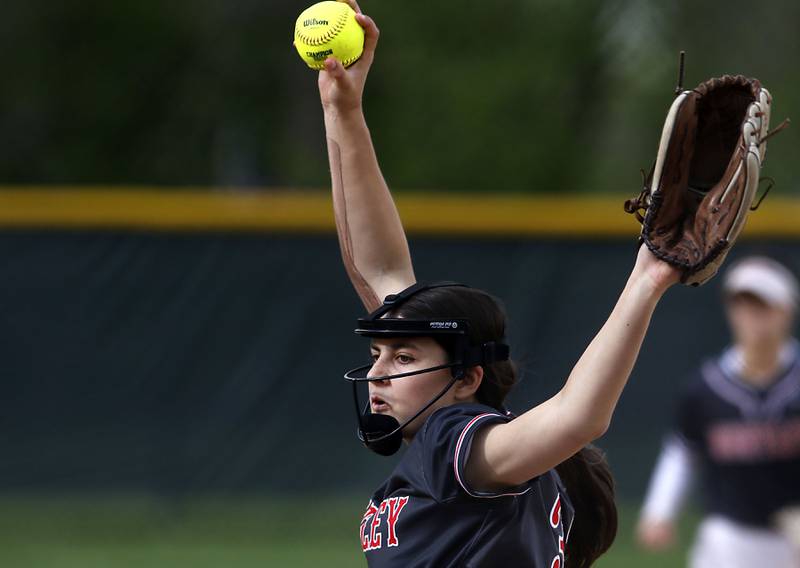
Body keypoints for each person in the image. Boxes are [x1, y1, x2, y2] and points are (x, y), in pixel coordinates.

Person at [317, 1, 681, 565]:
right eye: (378, 353)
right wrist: (342, 109)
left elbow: (578, 417)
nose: (377, 372)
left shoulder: (457, 440)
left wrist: (648, 277)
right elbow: (377, 268)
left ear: (467, 379)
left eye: (404, 357)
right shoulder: (457, 458)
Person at [636, 256, 800, 567]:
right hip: (727, 539)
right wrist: (659, 511)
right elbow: (683, 451)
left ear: (786, 311)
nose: (752, 316)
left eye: (762, 306)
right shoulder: (706, 387)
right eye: (742, 305)